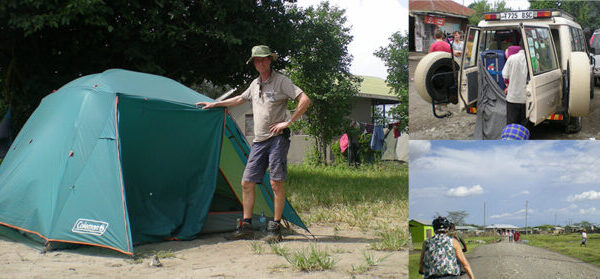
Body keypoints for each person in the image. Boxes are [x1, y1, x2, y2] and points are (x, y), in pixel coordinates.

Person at [196, 45, 311, 242]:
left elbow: (305, 99)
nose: (260, 63)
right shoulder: (255, 84)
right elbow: (240, 98)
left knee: (275, 182)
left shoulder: (281, 81)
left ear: (270, 60)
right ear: (254, 63)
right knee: (247, 183)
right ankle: (246, 225)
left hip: (277, 139)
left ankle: (275, 228)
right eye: (256, 60)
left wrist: (288, 122)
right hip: (259, 142)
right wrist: (215, 104)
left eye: (263, 59)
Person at [502, 39, 528, 127]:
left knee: (511, 125)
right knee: (525, 125)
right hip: (527, 99)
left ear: (520, 46)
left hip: (513, 98)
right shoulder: (532, 60)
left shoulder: (511, 58)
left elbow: (505, 75)